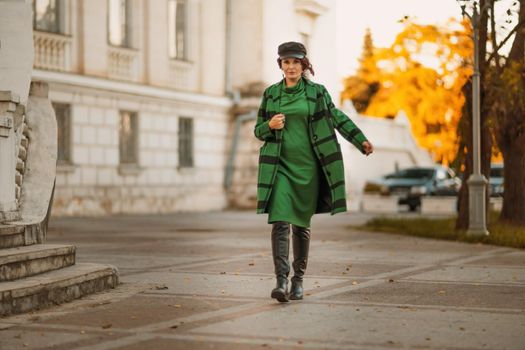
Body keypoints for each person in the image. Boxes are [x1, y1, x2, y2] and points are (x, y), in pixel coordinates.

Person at [254, 41, 374, 303]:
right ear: (281, 65)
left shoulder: (317, 93)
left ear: (304, 64)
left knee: (300, 225)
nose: (291, 66)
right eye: (286, 62)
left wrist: (359, 140)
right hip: (280, 166)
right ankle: (281, 281)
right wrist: (269, 125)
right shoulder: (271, 94)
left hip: (308, 168)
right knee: (279, 221)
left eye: (296, 62)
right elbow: (257, 130)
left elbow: (336, 116)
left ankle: (298, 280)